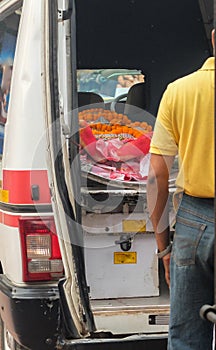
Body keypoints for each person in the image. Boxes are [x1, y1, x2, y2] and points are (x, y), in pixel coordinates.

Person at [147, 29, 215, 350]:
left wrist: (164, 251)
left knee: (187, 337)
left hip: (195, 222)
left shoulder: (178, 92)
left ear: (214, 39)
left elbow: (156, 177)